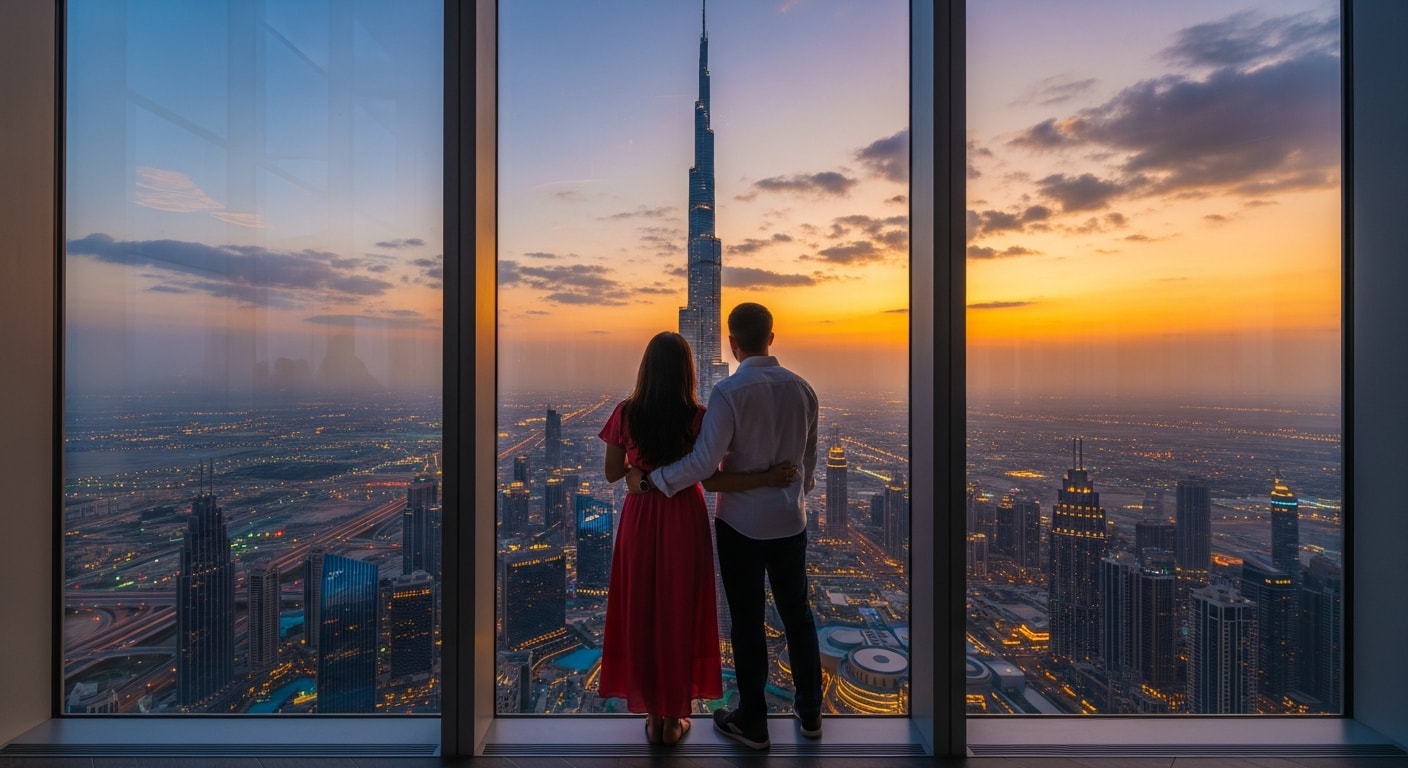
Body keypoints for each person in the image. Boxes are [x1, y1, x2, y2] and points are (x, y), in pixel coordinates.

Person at [627, 303, 821, 751]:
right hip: (791, 522)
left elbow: (701, 463)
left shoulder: (729, 393)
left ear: (732, 344)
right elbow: (807, 467)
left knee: (748, 621)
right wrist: (787, 492)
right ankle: (810, 714)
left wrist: (654, 480)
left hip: (740, 524)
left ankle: (753, 722)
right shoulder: (804, 390)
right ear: (772, 337)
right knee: (798, 615)